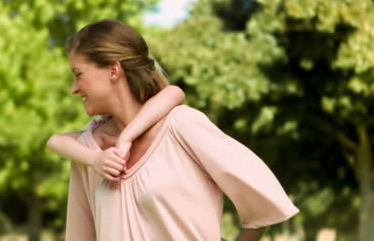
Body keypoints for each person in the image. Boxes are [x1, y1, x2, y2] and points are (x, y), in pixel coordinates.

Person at [61, 19, 299, 241]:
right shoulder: (89, 151)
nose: (73, 89)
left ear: (113, 70)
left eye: (79, 75)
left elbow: (262, 198)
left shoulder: (181, 126)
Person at [46, 85, 185, 182]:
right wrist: (95, 159)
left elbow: (174, 92)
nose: (74, 89)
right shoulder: (101, 128)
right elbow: (54, 141)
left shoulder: (158, 112)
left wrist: (125, 137)